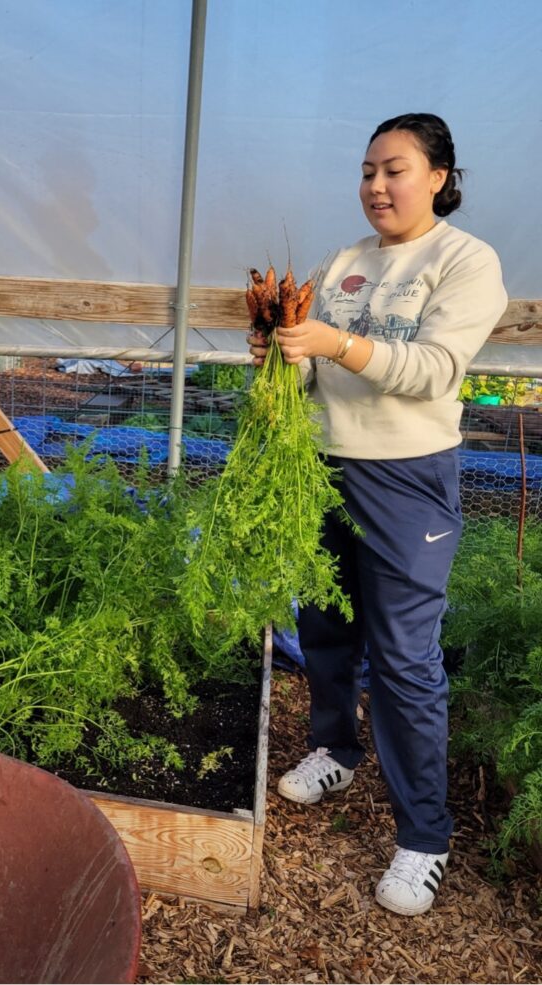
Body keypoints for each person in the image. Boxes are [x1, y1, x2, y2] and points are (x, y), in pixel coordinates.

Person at [249, 113, 507, 916]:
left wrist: (331, 342)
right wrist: (279, 359)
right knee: (325, 622)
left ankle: (423, 836)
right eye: (366, 171)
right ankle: (334, 746)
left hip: (405, 478)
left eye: (394, 169)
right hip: (322, 469)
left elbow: (432, 371)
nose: (375, 186)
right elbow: (312, 377)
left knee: (404, 657)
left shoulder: (465, 260)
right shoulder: (344, 262)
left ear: (438, 176)